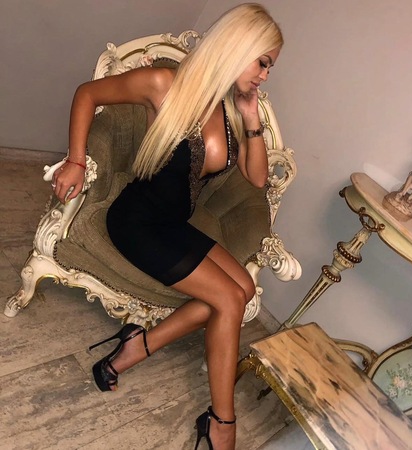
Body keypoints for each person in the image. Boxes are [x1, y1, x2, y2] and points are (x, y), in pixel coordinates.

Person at [51, 3, 283, 450]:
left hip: (174, 224)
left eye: (269, 66)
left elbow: (257, 179)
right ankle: (222, 422)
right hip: (136, 222)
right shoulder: (164, 84)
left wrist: (252, 119)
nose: (265, 75)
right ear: (238, 48)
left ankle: (137, 345)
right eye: (263, 62)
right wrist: (76, 160)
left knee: (241, 291)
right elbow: (87, 93)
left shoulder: (230, 111)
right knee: (228, 300)